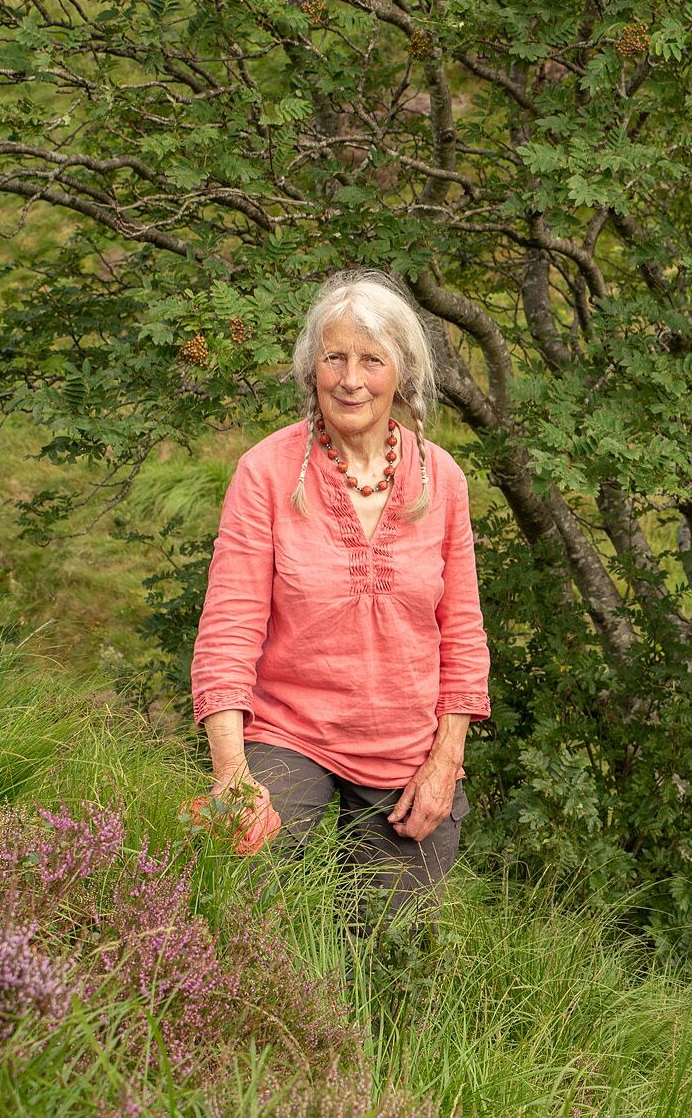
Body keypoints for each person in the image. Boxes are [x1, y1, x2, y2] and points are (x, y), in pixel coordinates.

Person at [189, 268, 491, 920]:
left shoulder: (443, 480)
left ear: (401, 373)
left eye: (371, 360)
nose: (350, 378)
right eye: (335, 358)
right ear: (311, 369)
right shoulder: (264, 472)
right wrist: (232, 777)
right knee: (239, 916)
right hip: (287, 731)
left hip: (405, 750)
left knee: (393, 954)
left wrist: (445, 761)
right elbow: (228, 629)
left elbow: (463, 634)